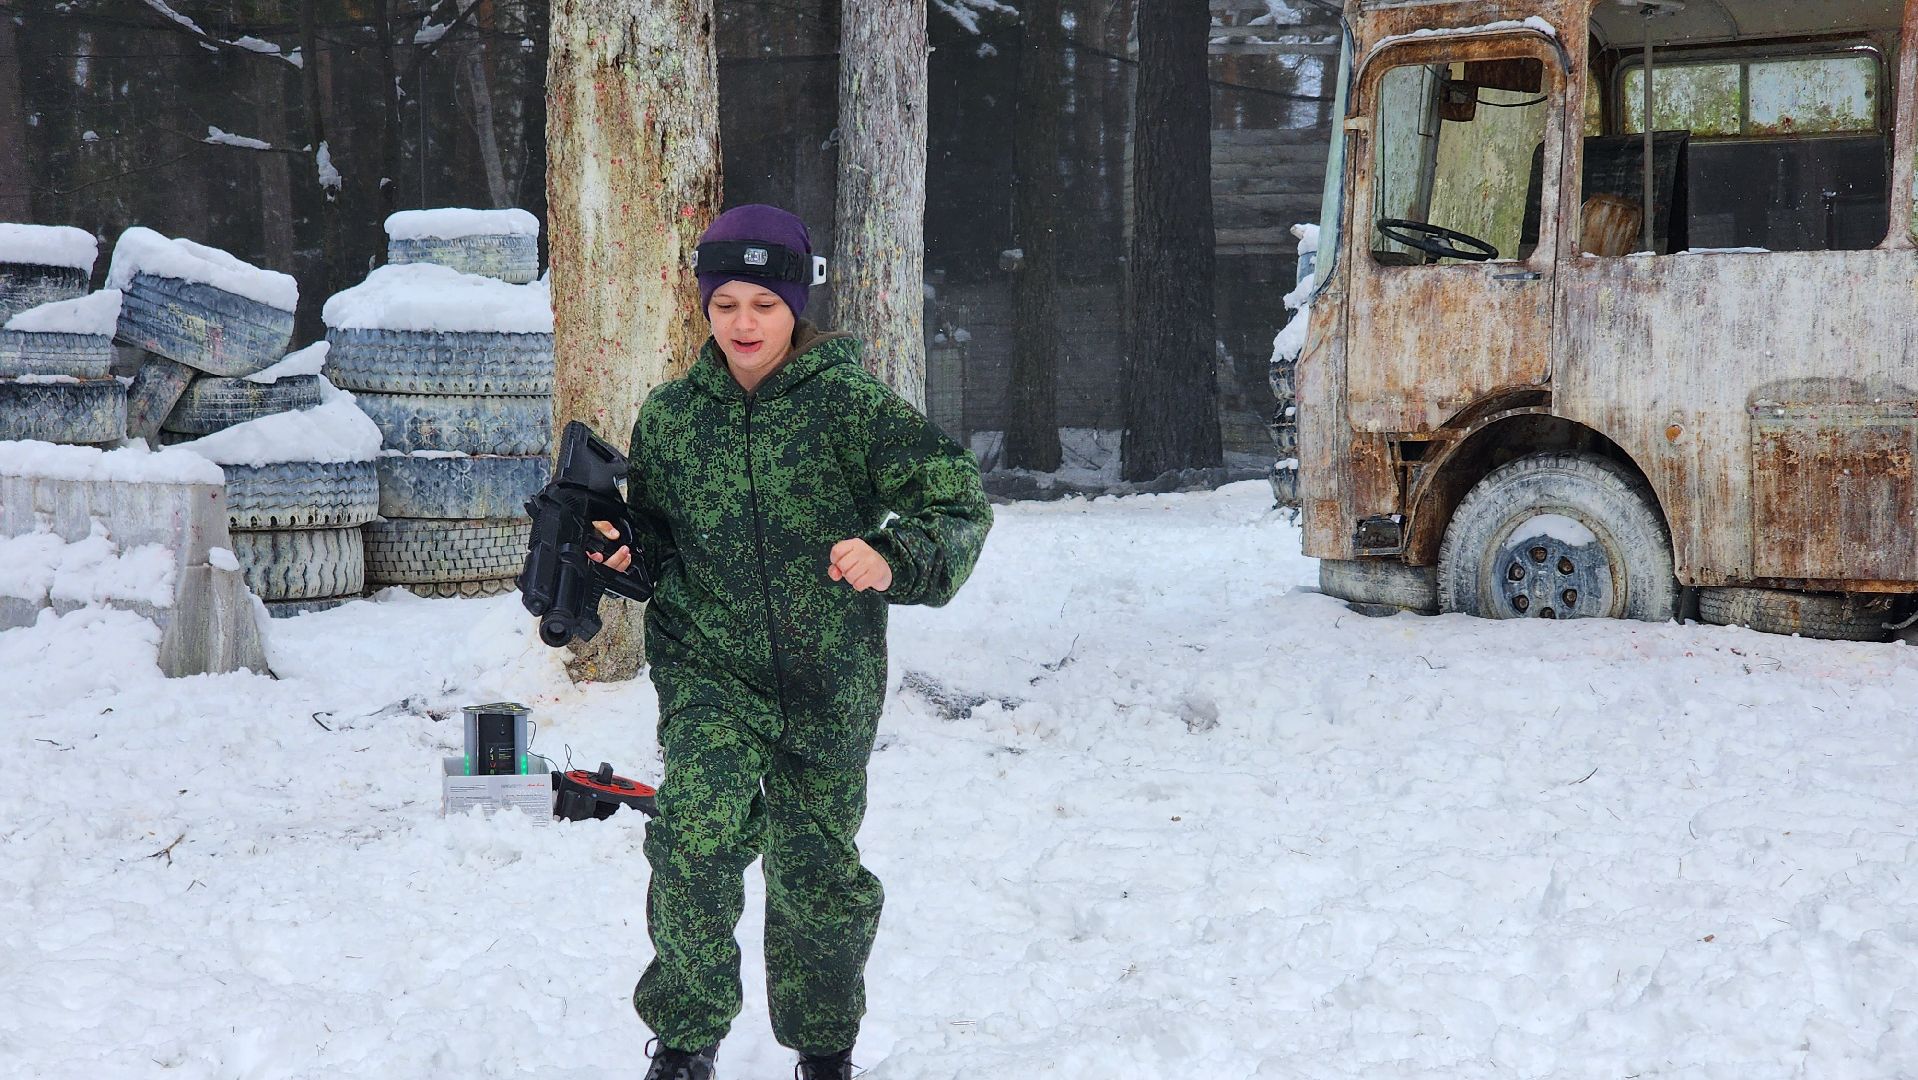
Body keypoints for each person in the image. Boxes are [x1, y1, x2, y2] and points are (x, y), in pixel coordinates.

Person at [590, 204, 993, 1080]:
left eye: (763, 305)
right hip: (709, 670)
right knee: (694, 839)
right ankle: (687, 1047)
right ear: (703, 303)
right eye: (726, 301)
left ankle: (824, 1051)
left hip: (828, 677)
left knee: (816, 873)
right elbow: (659, 542)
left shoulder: (850, 408)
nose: (743, 323)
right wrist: (626, 554)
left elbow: (958, 500)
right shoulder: (670, 419)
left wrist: (893, 557)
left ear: (795, 308)